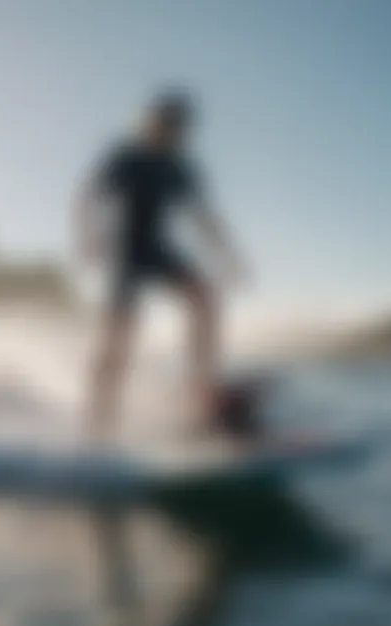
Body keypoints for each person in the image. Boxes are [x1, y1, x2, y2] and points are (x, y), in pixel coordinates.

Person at [74, 90, 248, 439]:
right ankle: (98, 424)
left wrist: (230, 255)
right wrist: (88, 235)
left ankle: (199, 394)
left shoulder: (180, 167)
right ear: (150, 122)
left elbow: (204, 216)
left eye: (178, 128)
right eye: (164, 124)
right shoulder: (126, 156)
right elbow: (88, 196)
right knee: (119, 338)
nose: (171, 133)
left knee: (205, 298)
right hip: (127, 255)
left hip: (157, 250)